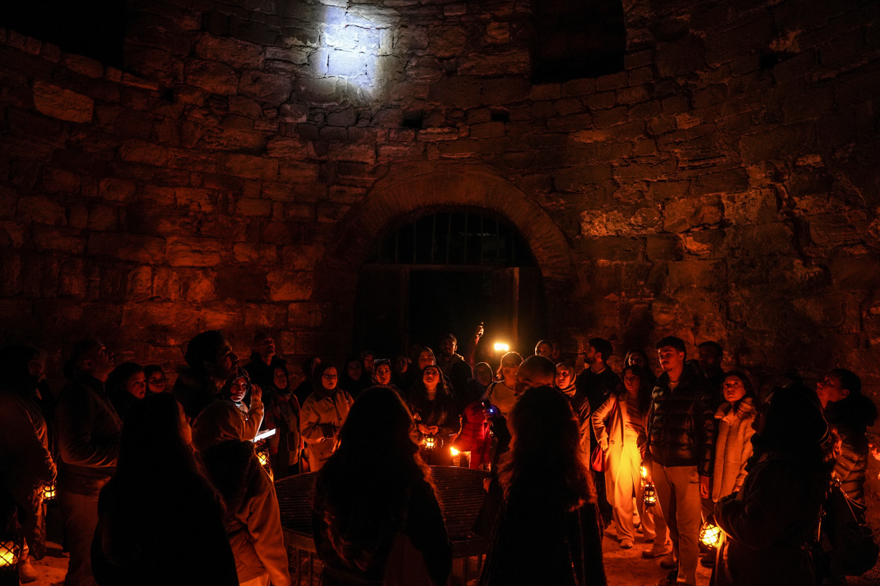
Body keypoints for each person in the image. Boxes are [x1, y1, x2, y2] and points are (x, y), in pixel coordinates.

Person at [91, 394, 238, 586]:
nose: (189, 419)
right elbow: (219, 565)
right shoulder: (191, 493)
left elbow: (102, 562)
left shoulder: (115, 492)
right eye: (183, 416)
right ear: (169, 430)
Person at [312, 387, 453, 586]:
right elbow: (439, 557)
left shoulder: (330, 477)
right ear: (398, 434)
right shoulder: (410, 486)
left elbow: (320, 541)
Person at [479, 386, 606, 586]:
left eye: (514, 435)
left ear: (526, 437)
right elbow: (592, 565)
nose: (510, 443)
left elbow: (502, 565)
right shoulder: (579, 485)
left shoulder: (526, 493)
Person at [712, 385, 830, 586]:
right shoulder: (784, 458)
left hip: (766, 572)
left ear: (783, 419)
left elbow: (755, 531)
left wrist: (722, 509)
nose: (759, 412)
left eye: (767, 409)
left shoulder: (782, 470)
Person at [193, 401, 292, 586]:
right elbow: (268, 538)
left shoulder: (190, 467)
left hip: (205, 567)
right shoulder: (250, 472)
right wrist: (282, 580)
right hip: (247, 572)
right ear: (232, 430)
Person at [643, 336, 714, 586]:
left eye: (668, 353)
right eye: (660, 354)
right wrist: (649, 458)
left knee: (687, 526)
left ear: (682, 355)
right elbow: (652, 423)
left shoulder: (698, 388)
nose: (663, 358)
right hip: (660, 463)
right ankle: (678, 565)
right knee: (671, 520)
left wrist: (705, 471)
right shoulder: (659, 386)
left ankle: (687, 579)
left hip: (687, 465)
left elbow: (708, 432)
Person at [55, 339, 122, 586]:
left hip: (95, 488)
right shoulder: (79, 394)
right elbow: (73, 451)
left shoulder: (94, 391)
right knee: (85, 565)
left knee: (96, 561)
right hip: (84, 491)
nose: (110, 353)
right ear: (88, 362)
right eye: (103, 352)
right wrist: (123, 453)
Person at [593, 364, 670, 555]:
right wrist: (603, 440)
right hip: (618, 447)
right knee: (621, 491)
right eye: (626, 377)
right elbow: (597, 416)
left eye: (633, 377)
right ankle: (625, 534)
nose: (629, 380)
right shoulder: (617, 398)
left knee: (646, 491)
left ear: (641, 380)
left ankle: (650, 531)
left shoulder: (650, 399)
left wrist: (649, 443)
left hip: (642, 449)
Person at [0, 345, 56, 582]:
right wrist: (50, 471)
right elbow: (28, 446)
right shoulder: (10, 403)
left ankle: (23, 560)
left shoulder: (28, 397)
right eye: (34, 365)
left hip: (28, 482)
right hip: (17, 482)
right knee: (14, 528)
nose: (40, 371)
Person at [703, 371, 757, 567]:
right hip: (722, 482)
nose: (730, 388)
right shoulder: (723, 416)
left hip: (735, 486)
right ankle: (718, 555)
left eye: (736, 384)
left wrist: (739, 487)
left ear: (746, 388)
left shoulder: (749, 420)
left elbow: (748, 457)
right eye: (727, 384)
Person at [576, 337, 622, 527]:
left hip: (603, 434)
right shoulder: (582, 377)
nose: (585, 352)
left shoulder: (613, 381)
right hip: (583, 431)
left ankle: (604, 513)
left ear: (599, 355)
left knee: (602, 474)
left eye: (589, 349)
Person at [817, 368, 878, 504]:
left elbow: (824, 481)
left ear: (843, 393)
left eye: (829, 382)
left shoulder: (846, 434)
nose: (819, 384)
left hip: (839, 512)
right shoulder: (829, 424)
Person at [172, 331, 239, 421]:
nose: (236, 358)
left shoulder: (208, 390)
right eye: (227, 354)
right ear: (209, 365)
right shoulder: (204, 405)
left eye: (232, 351)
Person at [301, 363, 354, 472]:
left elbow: (356, 416)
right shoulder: (312, 403)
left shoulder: (344, 396)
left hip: (344, 452)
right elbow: (306, 432)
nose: (332, 379)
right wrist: (329, 431)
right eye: (327, 375)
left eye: (334, 375)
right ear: (319, 377)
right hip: (323, 457)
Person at [407, 365, 460, 466]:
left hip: (441, 448)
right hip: (419, 446)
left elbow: (455, 425)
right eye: (427, 372)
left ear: (440, 379)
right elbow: (406, 420)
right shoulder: (414, 399)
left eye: (434, 373)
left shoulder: (448, 400)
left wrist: (439, 429)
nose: (430, 375)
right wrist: (418, 426)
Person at [268, 364, 301, 480]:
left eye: (282, 374)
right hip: (279, 455)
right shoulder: (271, 402)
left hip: (294, 452)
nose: (281, 378)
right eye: (276, 376)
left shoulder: (292, 399)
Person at [555, 358, 592, 453]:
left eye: (564, 373)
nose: (560, 377)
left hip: (575, 449)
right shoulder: (551, 396)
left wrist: (571, 447)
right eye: (557, 374)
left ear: (572, 375)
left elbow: (583, 428)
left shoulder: (581, 400)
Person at [219, 370, 264, 441]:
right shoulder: (222, 407)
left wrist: (252, 442)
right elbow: (246, 433)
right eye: (235, 384)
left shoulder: (242, 405)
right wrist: (256, 401)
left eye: (244, 385)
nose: (240, 389)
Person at [482, 351, 522, 418]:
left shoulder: (524, 388)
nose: (507, 367)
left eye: (512, 364)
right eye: (505, 364)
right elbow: (479, 403)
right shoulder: (493, 387)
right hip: (495, 424)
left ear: (519, 367)